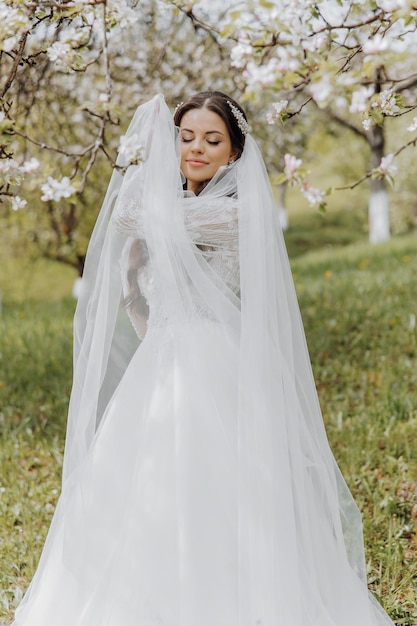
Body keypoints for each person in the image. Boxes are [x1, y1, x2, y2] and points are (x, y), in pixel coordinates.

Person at [12, 91, 395, 626]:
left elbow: (129, 214)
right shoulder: (171, 210)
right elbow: (147, 307)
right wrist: (132, 286)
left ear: (234, 153)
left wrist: (145, 163)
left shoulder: (233, 213)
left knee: (216, 486)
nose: (196, 149)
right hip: (162, 361)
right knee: (141, 487)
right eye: (185, 138)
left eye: (212, 140)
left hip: (211, 362)